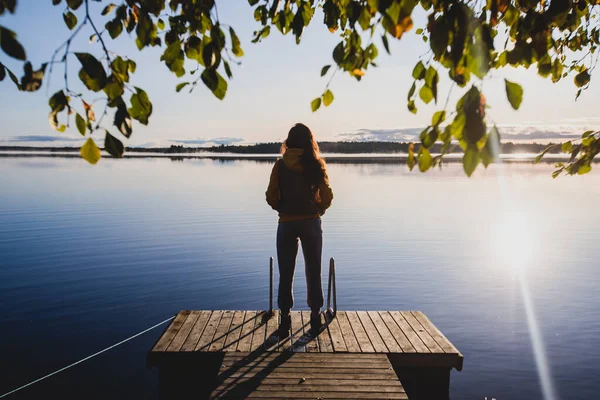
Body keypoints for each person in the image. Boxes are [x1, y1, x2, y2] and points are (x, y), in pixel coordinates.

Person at [265, 123, 334, 335]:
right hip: (312, 222)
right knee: (314, 269)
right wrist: (318, 210)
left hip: (286, 223)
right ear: (310, 142)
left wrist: (282, 209)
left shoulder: (280, 165)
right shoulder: (316, 164)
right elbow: (328, 195)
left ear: (289, 141)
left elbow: (270, 195)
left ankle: (285, 320)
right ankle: (314, 317)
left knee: (286, 272)